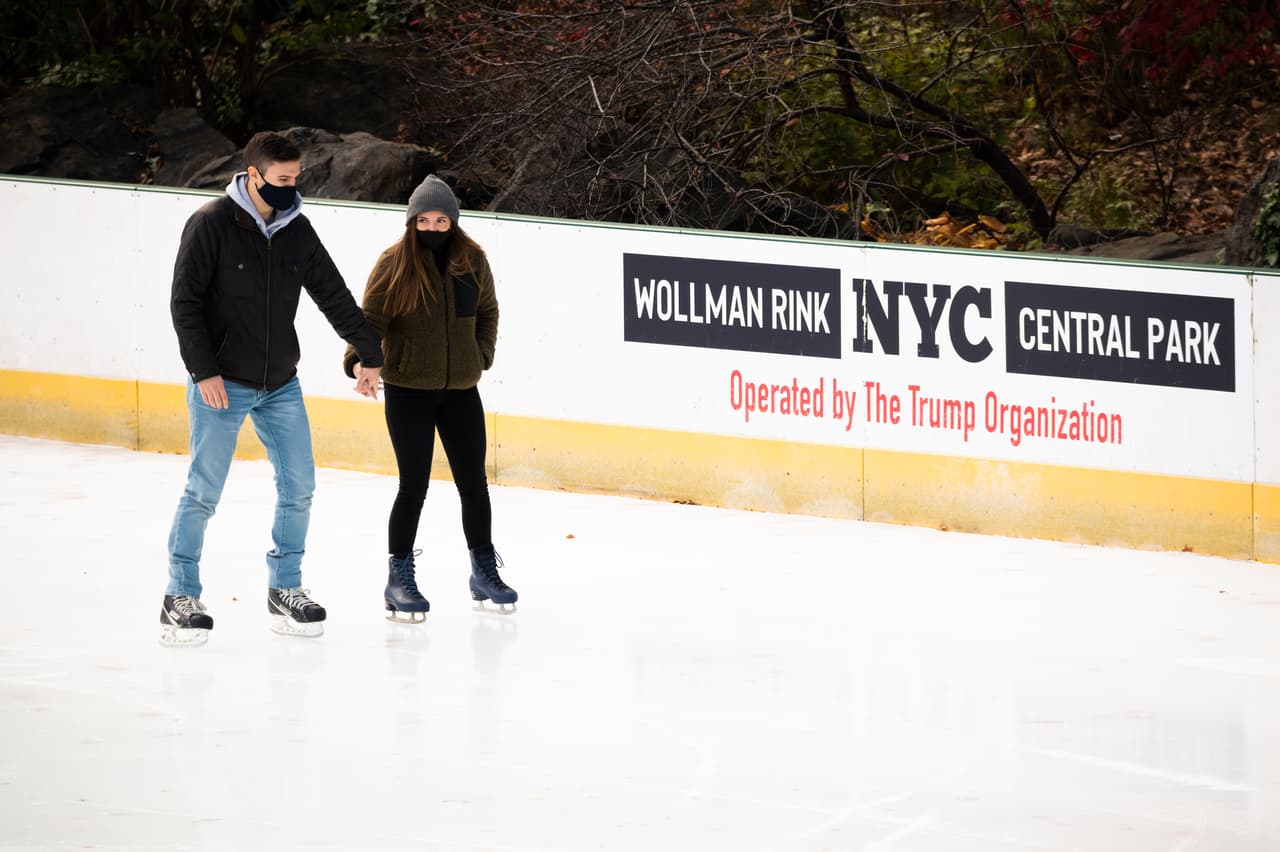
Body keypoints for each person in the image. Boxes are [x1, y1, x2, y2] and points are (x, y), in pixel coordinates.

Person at [163, 131, 385, 647]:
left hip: (281, 383)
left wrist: (370, 356)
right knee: (203, 491)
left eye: (296, 178)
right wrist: (203, 371)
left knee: (299, 487)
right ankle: (180, 593)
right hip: (222, 381)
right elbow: (185, 304)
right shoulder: (211, 225)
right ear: (255, 175)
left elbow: (333, 295)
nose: (292, 187)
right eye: (283, 180)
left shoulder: (296, 230)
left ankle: (285, 587)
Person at [344, 174, 517, 620]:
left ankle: (483, 570)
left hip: (461, 390)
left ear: (453, 222)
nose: (434, 228)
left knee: (474, 486)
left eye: (442, 220)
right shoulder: (394, 263)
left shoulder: (472, 259)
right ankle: (398, 579)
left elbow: (488, 310)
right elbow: (370, 320)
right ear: (411, 221)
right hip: (408, 392)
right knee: (413, 486)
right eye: (425, 220)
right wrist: (360, 361)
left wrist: (481, 355)